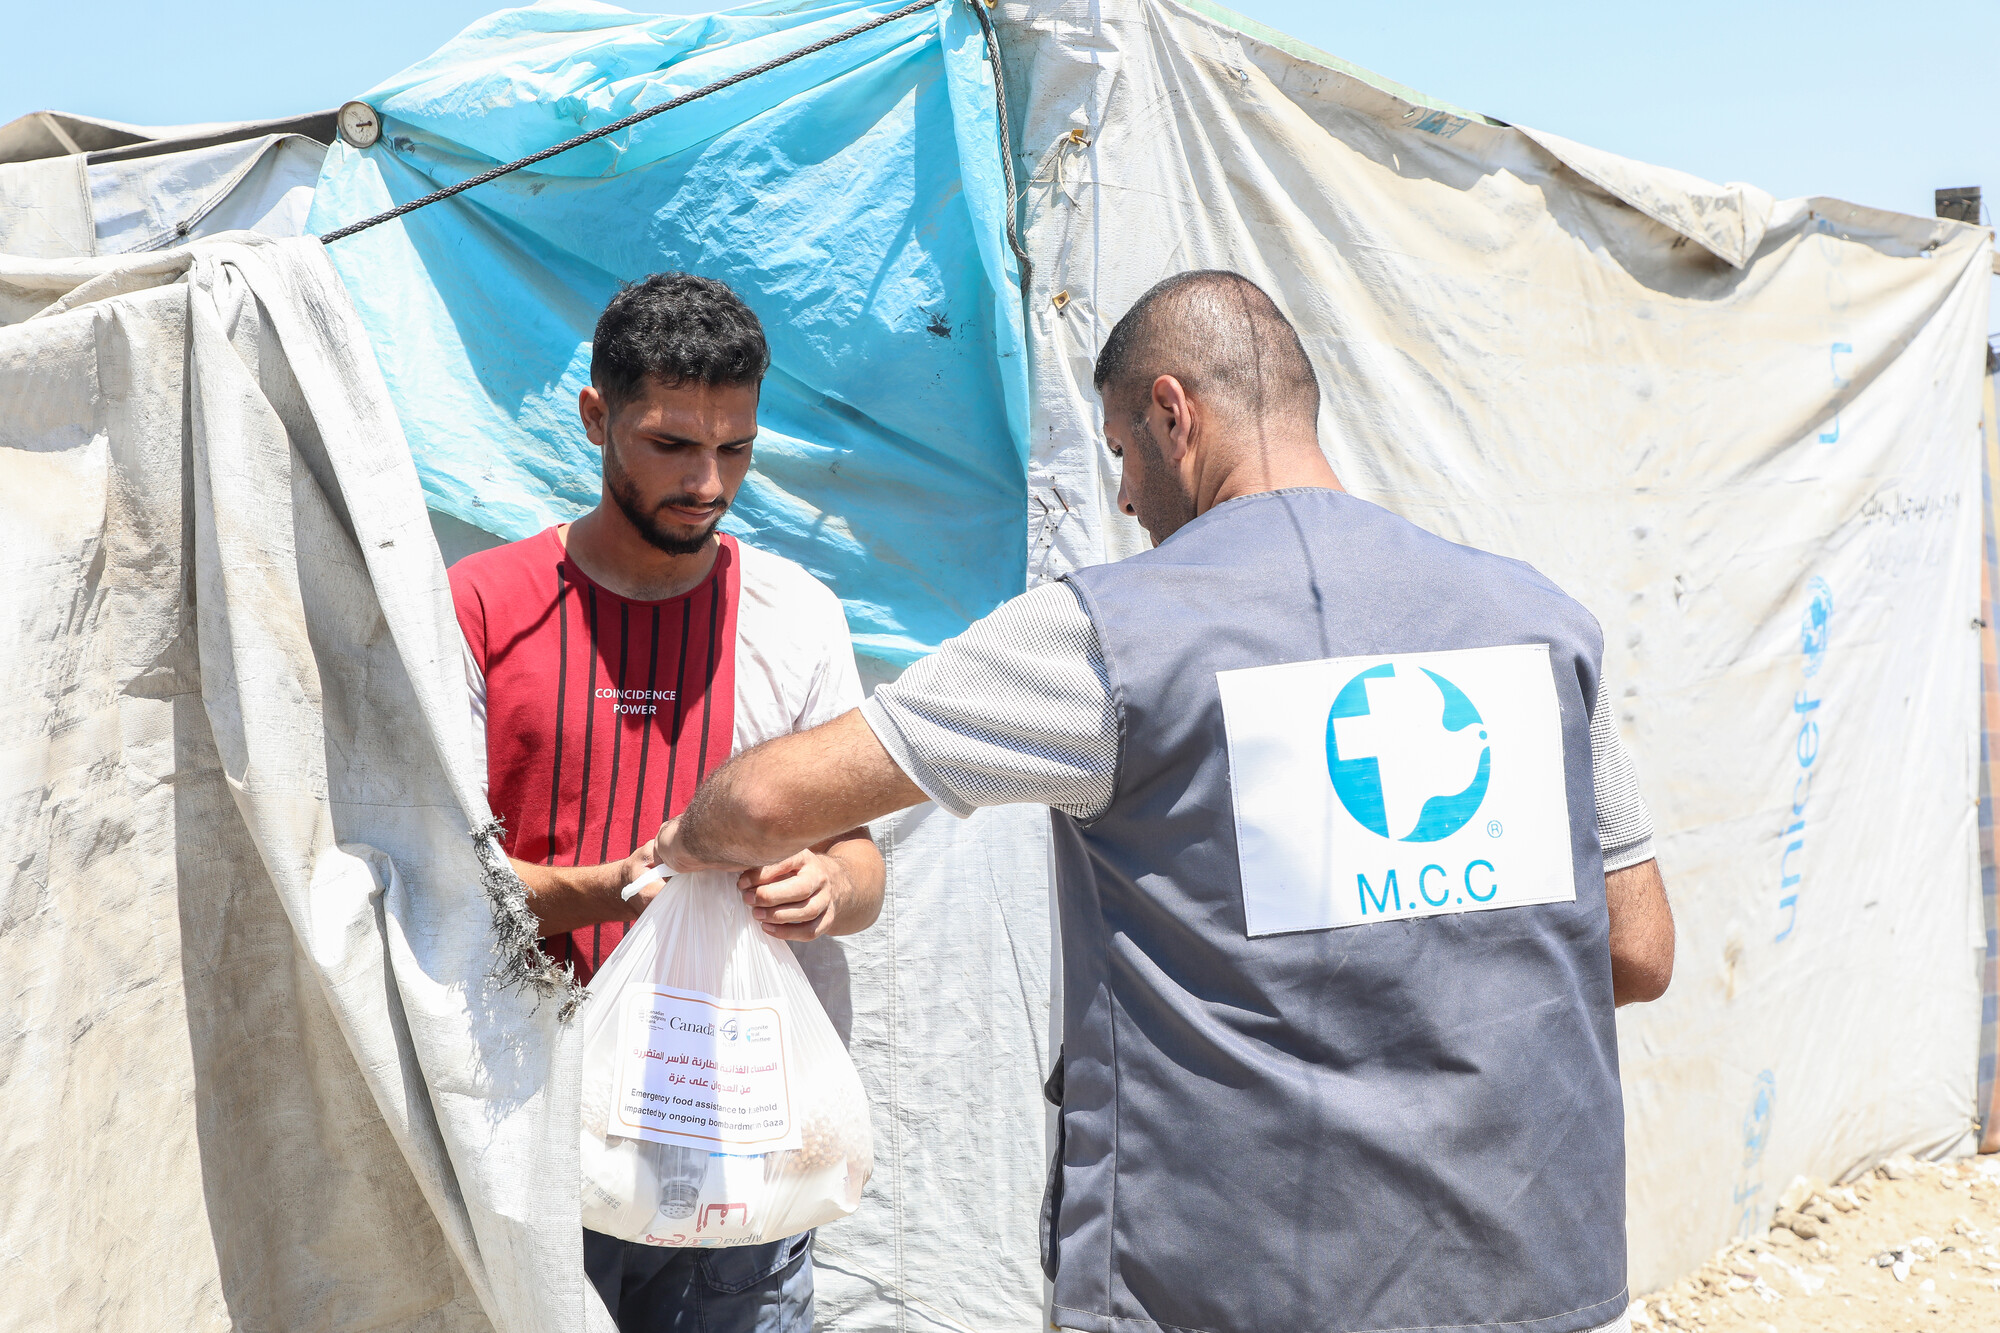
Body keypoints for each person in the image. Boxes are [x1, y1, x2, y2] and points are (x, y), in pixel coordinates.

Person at [646, 270, 1674, 1333]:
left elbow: (767, 800)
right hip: (1534, 1274)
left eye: (1121, 450)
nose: (1126, 496)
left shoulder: (1109, 636)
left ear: (1173, 414)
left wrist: (683, 838)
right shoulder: (1538, 621)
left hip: (1226, 1283)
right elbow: (1637, 951)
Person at [449, 272, 883, 1332]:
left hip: (738, 1148)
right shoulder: (480, 606)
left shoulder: (793, 615)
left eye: (734, 448)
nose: (707, 482)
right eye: (670, 445)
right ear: (595, 416)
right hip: (531, 1135)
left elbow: (865, 864)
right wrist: (611, 889)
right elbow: (433, 880)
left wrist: (824, 885)